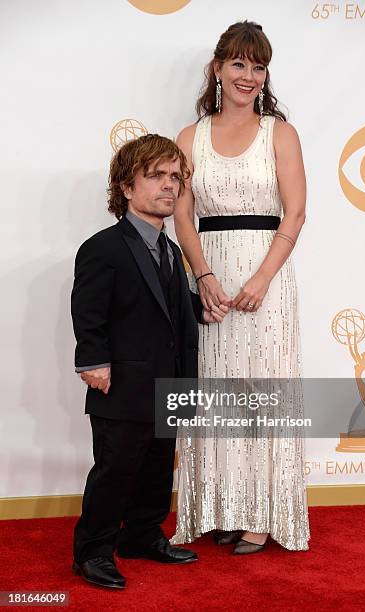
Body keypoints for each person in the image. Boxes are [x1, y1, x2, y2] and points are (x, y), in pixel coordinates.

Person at [171, 21, 310, 553]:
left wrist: (261, 278)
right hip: (210, 279)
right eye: (238, 64)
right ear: (218, 68)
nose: (248, 76)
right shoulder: (190, 137)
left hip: (266, 279)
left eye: (258, 66)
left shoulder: (281, 132)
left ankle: (262, 514)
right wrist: (203, 277)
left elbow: (294, 213)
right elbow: (184, 219)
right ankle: (221, 507)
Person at [71, 134, 229, 589]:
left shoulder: (171, 250)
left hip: (170, 381)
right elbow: (89, 312)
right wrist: (92, 360)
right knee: (116, 470)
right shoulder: (103, 247)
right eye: (156, 175)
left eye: (176, 177)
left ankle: (141, 536)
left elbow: (167, 306)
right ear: (126, 186)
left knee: (158, 466)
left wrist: (202, 306)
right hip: (122, 383)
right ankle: (93, 552)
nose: (169, 186)